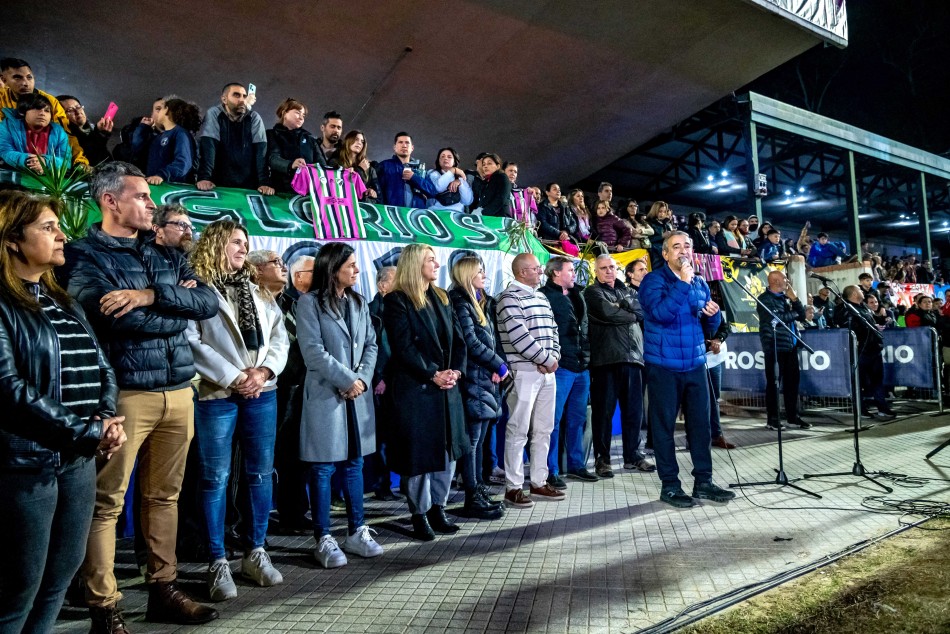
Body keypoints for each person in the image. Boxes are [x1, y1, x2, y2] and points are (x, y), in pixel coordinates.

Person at [59, 162, 219, 630]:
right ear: (110, 201)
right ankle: (103, 607)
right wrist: (174, 307)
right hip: (127, 395)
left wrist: (149, 295)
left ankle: (162, 589)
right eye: (142, 197)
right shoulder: (83, 255)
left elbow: (207, 303)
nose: (152, 205)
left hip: (178, 390)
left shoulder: (165, 250)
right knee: (107, 502)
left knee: (164, 497)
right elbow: (114, 320)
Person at [0, 191, 126, 634]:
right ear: (13, 239)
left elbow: (101, 365)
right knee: (18, 588)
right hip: (23, 464)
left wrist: (107, 420)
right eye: (48, 228)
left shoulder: (64, 301)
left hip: (75, 460)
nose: (62, 235)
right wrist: (87, 431)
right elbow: (8, 389)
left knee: (58, 578)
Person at [186, 220, 289, 599]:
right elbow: (192, 342)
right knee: (215, 477)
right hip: (217, 393)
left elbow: (279, 337)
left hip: (263, 390)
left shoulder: (258, 290)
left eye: (245, 242)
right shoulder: (196, 288)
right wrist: (234, 377)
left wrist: (262, 371)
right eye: (235, 242)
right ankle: (217, 561)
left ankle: (255, 552)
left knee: (260, 473)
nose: (243, 248)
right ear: (215, 244)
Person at [296, 242, 384, 567]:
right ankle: (323, 537)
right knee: (322, 468)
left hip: (356, 397)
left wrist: (360, 378)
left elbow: (372, 345)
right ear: (333, 269)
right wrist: (348, 380)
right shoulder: (309, 304)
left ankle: (356, 531)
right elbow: (313, 351)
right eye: (351, 266)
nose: (357, 271)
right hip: (326, 396)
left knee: (355, 464)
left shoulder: (359, 302)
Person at [639, 231, 735, 508]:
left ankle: (703, 482)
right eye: (676, 247)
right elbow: (660, 314)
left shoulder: (700, 283)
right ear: (666, 254)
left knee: (701, 427)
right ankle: (670, 486)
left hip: (694, 364)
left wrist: (713, 314)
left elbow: (708, 329)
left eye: (687, 246)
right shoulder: (652, 281)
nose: (682, 251)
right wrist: (682, 283)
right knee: (664, 428)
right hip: (663, 365)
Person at [383, 244, 468, 540]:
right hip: (417, 390)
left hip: (447, 389)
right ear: (414, 263)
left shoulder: (442, 298)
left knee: (448, 451)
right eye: (430, 259)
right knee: (418, 456)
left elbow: (459, 340)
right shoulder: (397, 300)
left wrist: (456, 371)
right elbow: (403, 347)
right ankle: (419, 513)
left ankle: (438, 508)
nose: (437, 263)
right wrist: (432, 374)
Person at [495, 253, 565, 508]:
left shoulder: (541, 296)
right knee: (518, 429)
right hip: (523, 371)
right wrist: (545, 358)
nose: (541, 272)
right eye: (536, 268)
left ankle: (538, 481)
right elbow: (517, 336)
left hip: (547, 372)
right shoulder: (509, 298)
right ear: (522, 272)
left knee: (544, 428)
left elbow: (554, 330)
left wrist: (553, 356)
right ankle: (513, 487)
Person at [449, 255, 506, 520]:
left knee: (480, 440)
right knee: (472, 443)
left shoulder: (477, 301)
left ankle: (479, 490)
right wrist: (499, 365)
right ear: (467, 273)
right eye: (479, 271)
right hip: (473, 379)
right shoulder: (460, 300)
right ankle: (472, 495)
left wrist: (496, 366)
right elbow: (471, 343)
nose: (484, 275)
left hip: (484, 379)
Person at [584, 254, 653, 475]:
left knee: (634, 412)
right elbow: (607, 312)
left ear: (618, 269)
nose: (608, 271)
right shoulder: (592, 292)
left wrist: (624, 308)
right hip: (606, 360)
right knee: (603, 413)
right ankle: (602, 460)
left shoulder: (631, 292)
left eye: (612, 267)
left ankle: (633, 456)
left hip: (634, 359)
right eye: (603, 268)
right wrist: (629, 311)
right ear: (596, 271)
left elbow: (642, 312)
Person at [539, 256, 594, 483]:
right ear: (556, 273)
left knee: (577, 419)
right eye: (570, 270)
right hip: (560, 367)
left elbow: (585, 327)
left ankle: (575, 465)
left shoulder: (577, 294)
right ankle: (550, 470)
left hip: (582, 367)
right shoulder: (544, 296)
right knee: (552, 421)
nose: (574, 274)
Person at [272, 255, 315, 534]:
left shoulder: (298, 305)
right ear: (298, 277)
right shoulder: (271, 302)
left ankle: (295, 513)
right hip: (273, 388)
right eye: (314, 271)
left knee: (295, 456)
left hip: (302, 389)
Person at [0, 58, 88, 166]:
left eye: (29, 77)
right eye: (17, 78)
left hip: (46, 162)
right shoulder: (1, 99)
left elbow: (67, 135)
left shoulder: (51, 102)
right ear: (4, 80)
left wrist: (80, 162)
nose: (25, 83)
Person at [196, 83, 273, 195]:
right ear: (224, 99)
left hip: (249, 187)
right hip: (218, 186)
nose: (242, 100)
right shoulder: (214, 114)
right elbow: (209, 148)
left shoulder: (254, 118)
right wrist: (205, 177)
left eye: (244, 96)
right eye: (236, 95)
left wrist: (264, 182)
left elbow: (261, 153)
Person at [756, 271, 810, 430]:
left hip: (791, 346)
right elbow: (777, 319)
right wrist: (795, 311)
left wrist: (795, 299)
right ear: (775, 281)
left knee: (792, 383)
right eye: (785, 278)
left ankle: (793, 417)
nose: (788, 281)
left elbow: (801, 316)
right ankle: (772, 420)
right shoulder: (764, 299)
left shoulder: (786, 298)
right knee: (774, 384)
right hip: (774, 346)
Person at [836, 286, 895, 419]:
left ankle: (882, 408)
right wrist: (870, 328)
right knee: (859, 382)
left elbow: (871, 321)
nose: (863, 292)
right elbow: (846, 326)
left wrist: (880, 322)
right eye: (860, 291)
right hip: (860, 351)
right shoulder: (846, 309)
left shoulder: (863, 307)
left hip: (874, 349)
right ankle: (861, 410)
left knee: (877, 381)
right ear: (854, 293)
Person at [367, 266, 398, 501]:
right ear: (382, 285)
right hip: (382, 383)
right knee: (380, 438)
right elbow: (376, 348)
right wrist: (379, 378)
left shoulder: (401, 307)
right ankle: (381, 484)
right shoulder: (374, 312)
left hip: (398, 381)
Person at [265, 98, 327, 194]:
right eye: (297, 113)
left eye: (303, 115)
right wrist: (291, 164)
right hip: (282, 192)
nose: (301, 118)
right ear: (284, 113)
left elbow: (322, 165)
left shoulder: (310, 139)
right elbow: (273, 158)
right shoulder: (271, 134)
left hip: (309, 193)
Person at [134, 97, 201, 185]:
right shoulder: (158, 137)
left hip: (173, 189)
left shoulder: (181, 133)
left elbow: (183, 163)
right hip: (156, 187)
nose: (158, 113)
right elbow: (136, 148)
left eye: (160, 109)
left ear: (167, 111)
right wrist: (143, 127)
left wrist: (162, 175)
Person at [0, 92, 72, 173]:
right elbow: (5, 151)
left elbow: (66, 162)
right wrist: (28, 161)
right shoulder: (7, 126)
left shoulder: (58, 131)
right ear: (23, 112)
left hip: (48, 181)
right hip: (14, 177)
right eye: (37, 108)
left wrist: (45, 162)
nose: (42, 113)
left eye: (47, 111)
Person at [377, 132, 442, 209]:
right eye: (400, 142)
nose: (404, 145)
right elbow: (378, 191)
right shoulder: (384, 166)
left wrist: (414, 177)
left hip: (415, 216)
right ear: (395, 147)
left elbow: (432, 192)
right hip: (392, 214)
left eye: (407, 143)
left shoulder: (421, 169)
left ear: (412, 148)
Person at [57, 94, 113, 166]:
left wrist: (101, 133)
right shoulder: (64, 137)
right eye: (70, 110)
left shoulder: (91, 129)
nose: (77, 112)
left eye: (78, 107)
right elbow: (90, 159)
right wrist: (100, 135)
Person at [705, 316, 736, 449]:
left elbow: (725, 326)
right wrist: (708, 344)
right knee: (695, 401)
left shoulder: (712, 305)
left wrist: (718, 339)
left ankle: (716, 436)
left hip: (714, 360)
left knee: (714, 399)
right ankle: (694, 438)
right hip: (695, 359)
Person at [337, 130, 380, 202]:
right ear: (348, 140)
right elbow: (341, 189)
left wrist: (372, 194)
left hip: (361, 210)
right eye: (356, 139)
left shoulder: (370, 169)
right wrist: (360, 170)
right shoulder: (336, 163)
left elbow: (379, 199)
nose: (359, 143)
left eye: (362, 141)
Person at [426, 147, 472, 212]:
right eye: (442, 156)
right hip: (436, 212)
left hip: (456, 214)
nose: (445, 158)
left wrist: (460, 182)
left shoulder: (460, 177)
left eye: (449, 157)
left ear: (454, 161)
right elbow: (438, 188)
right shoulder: (433, 173)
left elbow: (467, 201)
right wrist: (452, 170)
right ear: (438, 161)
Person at [471, 152, 512, 217]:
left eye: (489, 163)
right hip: (487, 219)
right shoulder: (485, 182)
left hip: (499, 219)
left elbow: (501, 199)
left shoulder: (502, 177)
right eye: (483, 164)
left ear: (498, 166)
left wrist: (483, 213)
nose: (485, 166)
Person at [645, 201, 675, 267]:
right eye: (660, 211)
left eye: (664, 212)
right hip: (655, 252)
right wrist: (662, 236)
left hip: (666, 251)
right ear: (655, 211)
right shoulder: (648, 222)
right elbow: (646, 240)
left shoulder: (666, 223)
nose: (662, 214)